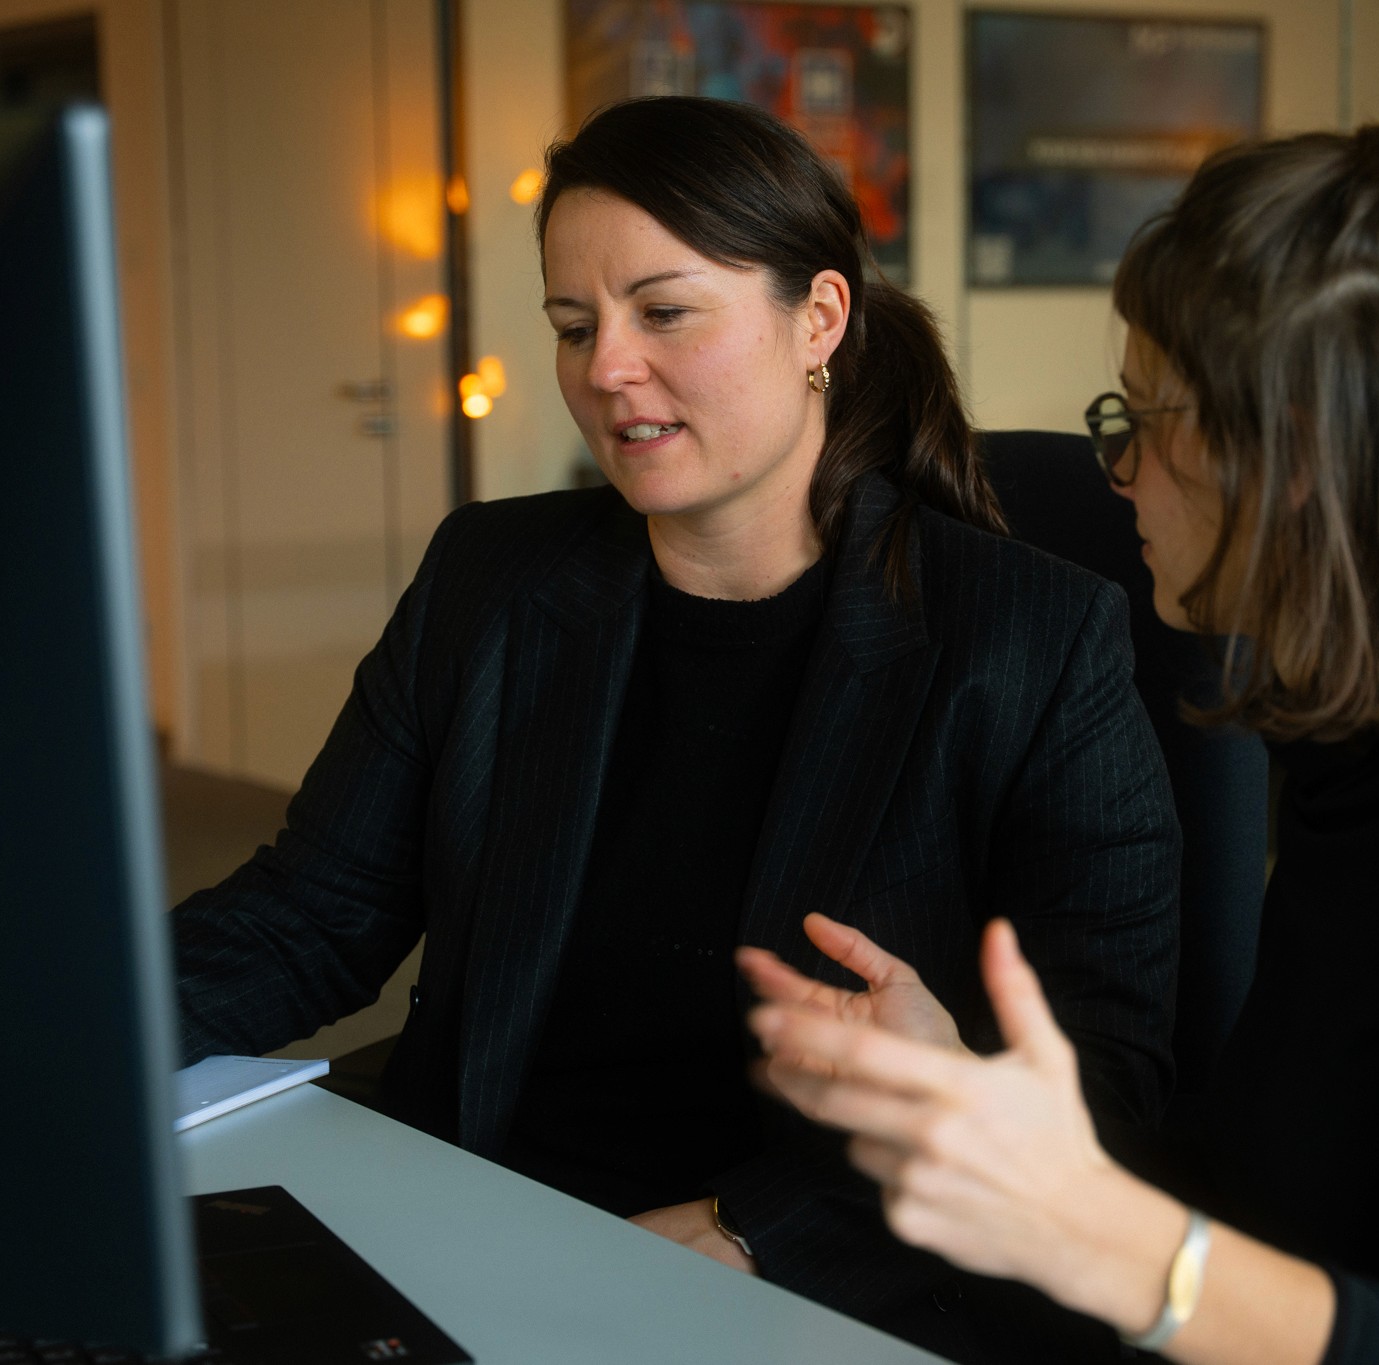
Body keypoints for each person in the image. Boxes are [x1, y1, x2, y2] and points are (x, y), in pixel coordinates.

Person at [169, 96, 1181, 1361]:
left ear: (817, 319)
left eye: (664, 312)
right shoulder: (491, 578)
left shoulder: (1026, 638)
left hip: (817, 1275)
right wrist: (65, 1030)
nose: (606, 370)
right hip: (483, 1212)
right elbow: (314, 913)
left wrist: (751, 1227)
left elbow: (1111, 1069)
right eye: (573, 325)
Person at [745, 97, 1379, 1365]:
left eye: (1144, 423)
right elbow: (1276, 1214)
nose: (1117, 477)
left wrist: (1095, 1232)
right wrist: (977, 1102)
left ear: (1303, 456)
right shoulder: (1360, 752)